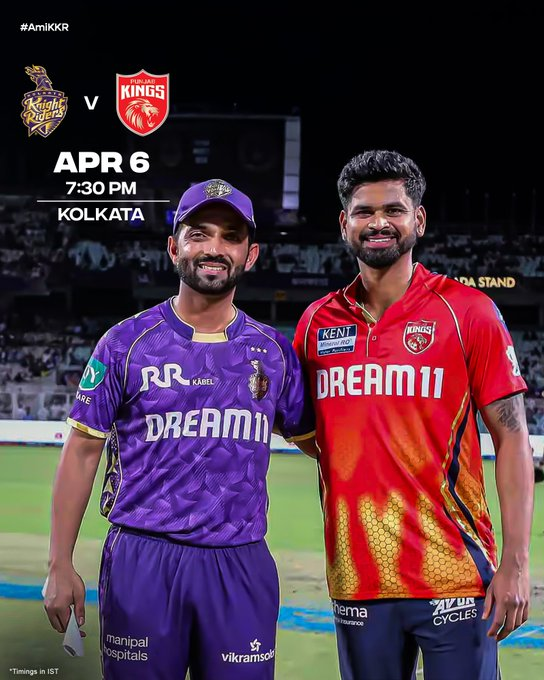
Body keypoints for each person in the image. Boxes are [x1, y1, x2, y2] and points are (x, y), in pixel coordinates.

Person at [44, 178, 315, 680]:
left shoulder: (274, 352)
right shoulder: (125, 343)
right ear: (174, 248)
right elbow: (81, 450)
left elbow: (324, 445)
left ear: (251, 254)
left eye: (231, 237)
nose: (214, 248)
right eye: (199, 234)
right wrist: (59, 563)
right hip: (143, 559)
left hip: (239, 562)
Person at [293, 150, 534, 680]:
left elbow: (512, 438)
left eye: (394, 210)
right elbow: (309, 430)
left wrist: (516, 564)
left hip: (456, 577)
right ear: (344, 223)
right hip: (357, 579)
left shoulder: (468, 311)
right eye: (364, 211)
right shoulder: (316, 323)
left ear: (418, 220)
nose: (378, 222)